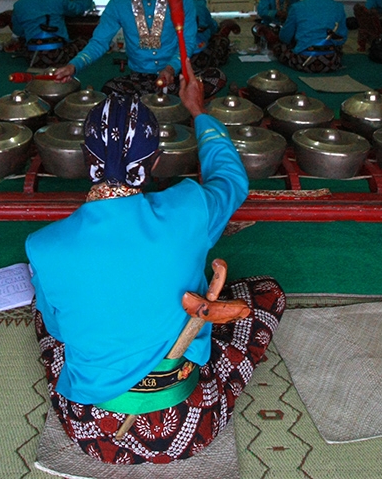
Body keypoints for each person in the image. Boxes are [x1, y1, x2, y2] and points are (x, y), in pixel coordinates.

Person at [26, 74, 285, 465]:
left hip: (92, 432)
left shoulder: (43, 246)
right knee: (267, 292)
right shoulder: (189, 208)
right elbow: (231, 179)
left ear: (85, 158)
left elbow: (61, 332)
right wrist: (198, 111)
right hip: (188, 430)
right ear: (156, 162)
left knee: (47, 315)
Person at [51, 0, 226, 97]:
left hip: (174, 75)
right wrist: (73, 66)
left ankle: (148, 102)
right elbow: (99, 42)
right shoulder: (119, 1)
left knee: (216, 77)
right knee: (110, 90)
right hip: (139, 80)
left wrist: (171, 68)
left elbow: (187, 41)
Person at [255, 0, 347, 73]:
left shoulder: (297, 7)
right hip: (331, 62)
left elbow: (285, 37)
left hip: (304, 62)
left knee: (280, 46)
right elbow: (342, 38)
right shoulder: (338, 7)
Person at [11, 0, 86, 67]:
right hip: (59, 54)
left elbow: (18, 31)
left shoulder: (19, 5)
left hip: (33, 57)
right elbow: (77, 10)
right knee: (83, 41)